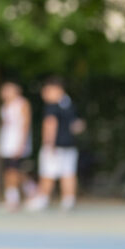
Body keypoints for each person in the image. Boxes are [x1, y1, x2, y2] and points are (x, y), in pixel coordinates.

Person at [26, 77, 85, 212]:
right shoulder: (70, 104)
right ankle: (68, 201)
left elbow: (50, 124)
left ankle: (42, 199)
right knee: (68, 173)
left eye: (47, 91)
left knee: (47, 172)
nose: (44, 94)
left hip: (55, 146)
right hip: (70, 145)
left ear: (57, 89)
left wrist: (48, 144)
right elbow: (78, 125)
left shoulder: (52, 106)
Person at [0, 80, 33, 212]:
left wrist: (22, 143)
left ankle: (15, 198)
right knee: (9, 171)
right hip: (6, 143)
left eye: (8, 90)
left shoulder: (22, 104)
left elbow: (26, 124)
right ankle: (20, 195)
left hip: (17, 142)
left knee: (14, 171)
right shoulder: (4, 106)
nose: (4, 93)